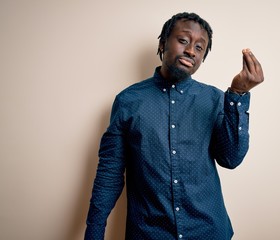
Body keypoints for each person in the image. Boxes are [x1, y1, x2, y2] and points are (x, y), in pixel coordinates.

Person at [85, 12, 264, 240]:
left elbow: (231, 159)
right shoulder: (128, 101)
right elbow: (110, 173)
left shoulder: (216, 100)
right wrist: (94, 232)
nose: (191, 50)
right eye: (183, 41)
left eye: (200, 48)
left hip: (208, 231)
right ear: (162, 43)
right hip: (149, 233)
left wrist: (238, 95)